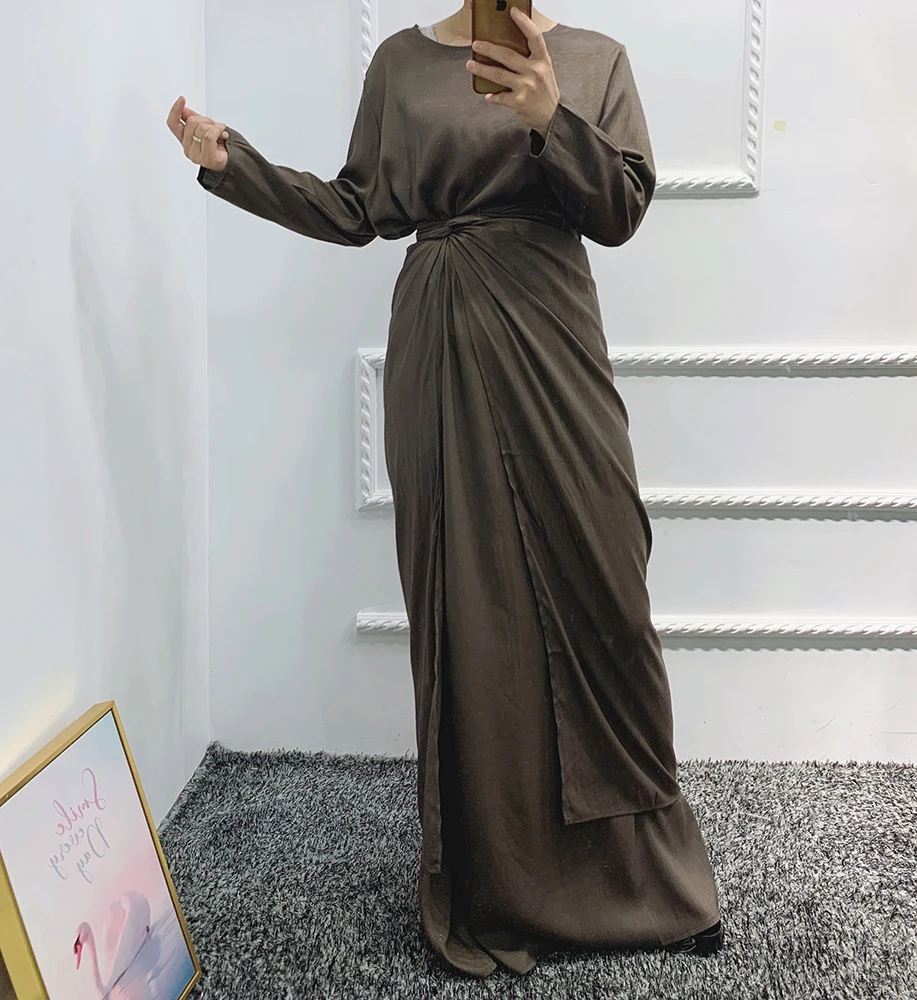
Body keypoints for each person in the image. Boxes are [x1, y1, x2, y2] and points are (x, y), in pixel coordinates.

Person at [167, 1, 724, 979]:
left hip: (551, 334)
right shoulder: (400, 62)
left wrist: (550, 116)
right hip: (442, 336)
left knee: (608, 592)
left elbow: (622, 211)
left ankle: (648, 882)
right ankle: (497, 883)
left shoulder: (594, 60)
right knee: (474, 611)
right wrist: (233, 164)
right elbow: (357, 208)